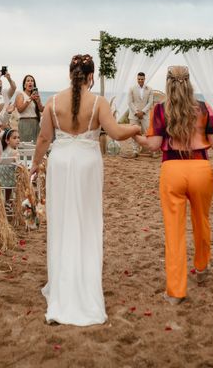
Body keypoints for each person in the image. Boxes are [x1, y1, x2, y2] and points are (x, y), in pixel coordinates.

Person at [30, 54, 140, 326]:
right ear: (91, 76)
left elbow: (44, 138)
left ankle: (61, 283)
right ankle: (84, 282)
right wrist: (136, 127)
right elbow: (115, 132)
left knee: (63, 221)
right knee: (87, 222)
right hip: (88, 163)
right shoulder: (98, 102)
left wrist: (34, 165)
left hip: (61, 163)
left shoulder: (53, 102)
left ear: (70, 74)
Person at [134, 66, 213, 305]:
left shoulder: (160, 110)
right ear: (189, 83)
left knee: (174, 230)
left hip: (172, 169)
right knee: (202, 220)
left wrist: (134, 136)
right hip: (200, 168)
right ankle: (201, 267)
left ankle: (176, 290)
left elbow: (153, 144)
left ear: (168, 84)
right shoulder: (203, 108)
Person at [127, 72, 154, 154]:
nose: (140, 80)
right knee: (134, 133)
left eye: (142, 79)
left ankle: (150, 149)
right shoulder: (132, 88)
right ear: (137, 79)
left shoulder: (149, 89)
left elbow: (150, 102)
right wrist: (136, 112)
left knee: (148, 132)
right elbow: (130, 102)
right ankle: (135, 150)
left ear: (144, 79)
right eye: (139, 79)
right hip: (134, 115)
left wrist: (142, 112)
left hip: (145, 115)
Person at [15, 74, 44, 143]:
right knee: (26, 145)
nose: (30, 82)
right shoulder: (20, 95)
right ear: (24, 85)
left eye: (32, 81)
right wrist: (30, 98)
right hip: (25, 122)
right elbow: (20, 110)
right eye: (28, 81)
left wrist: (38, 101)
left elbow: (41, 109)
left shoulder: (35, 95)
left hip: (36, 122)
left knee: (36, 145)